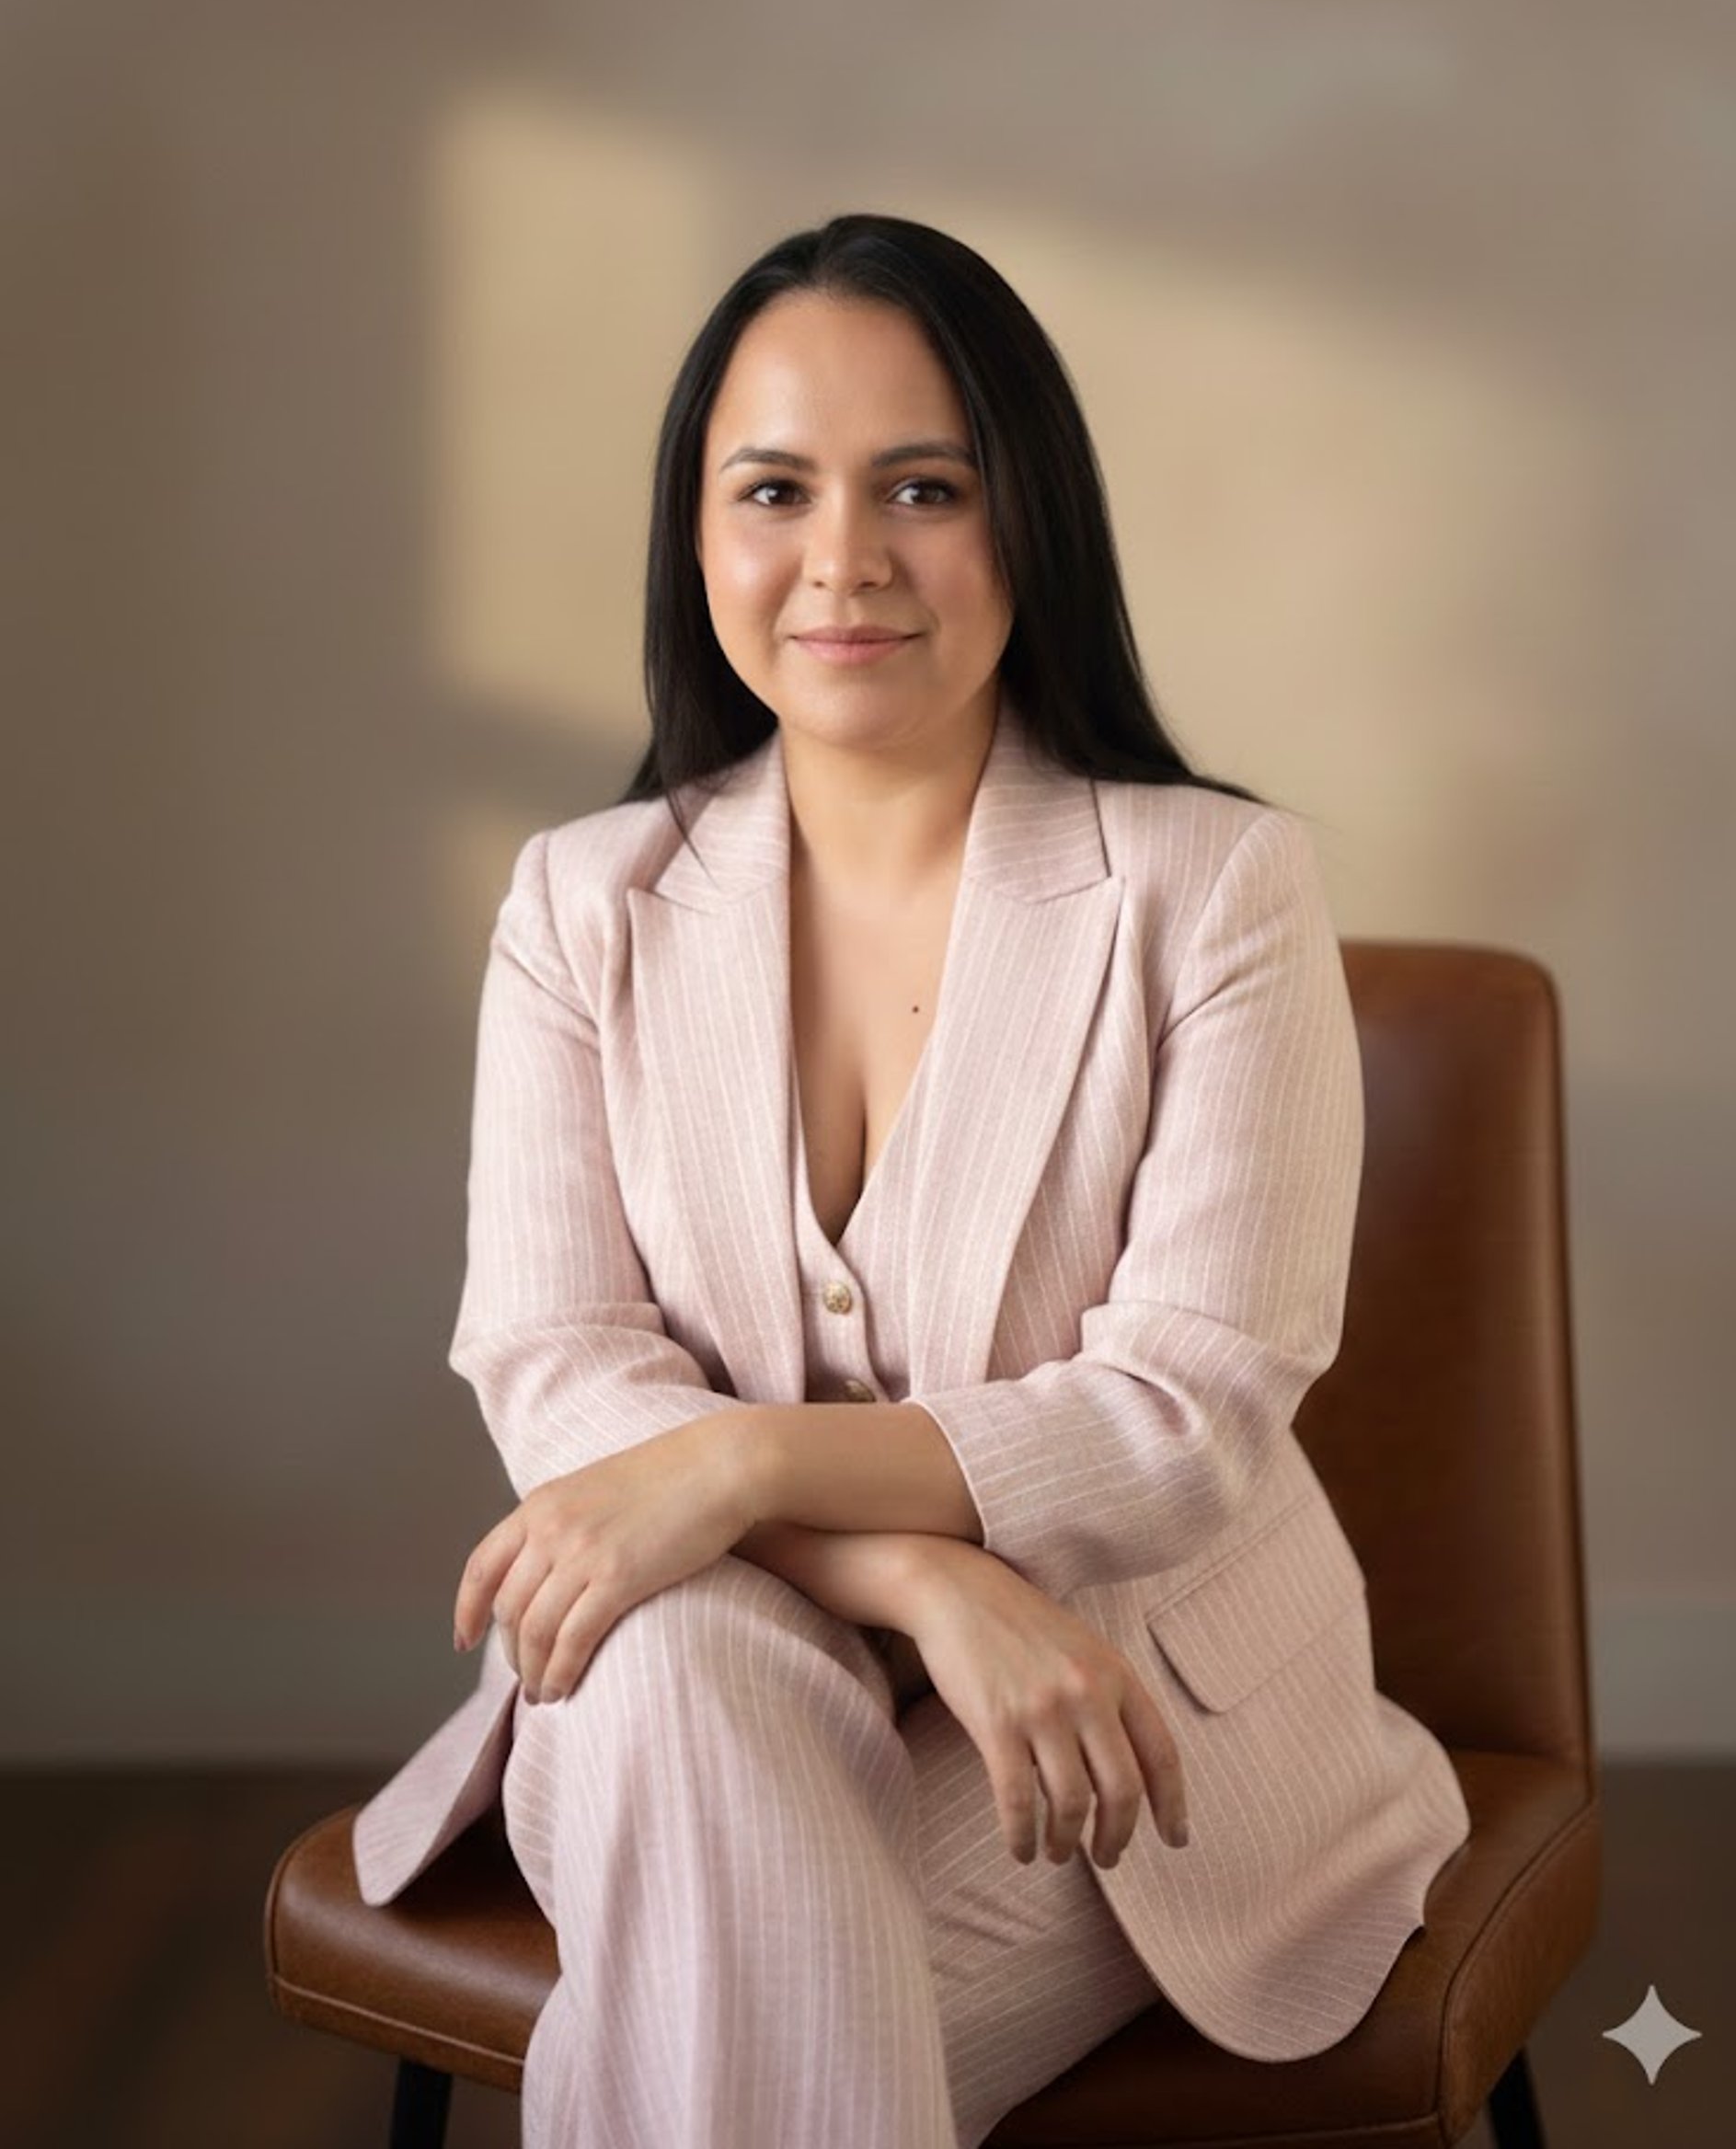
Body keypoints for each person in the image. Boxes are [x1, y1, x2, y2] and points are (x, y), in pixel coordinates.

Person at [352, 213, 1473, 2149]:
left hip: (1105, 1748)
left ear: (1026, 521)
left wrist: (742, 1459)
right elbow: (555, 1362)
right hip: (672, 1692)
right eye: (774, 487)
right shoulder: (579, 905)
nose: (843, 557)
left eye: (923, 487)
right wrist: (907, 1569)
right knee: (696, 1674)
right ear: (698, 535)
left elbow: (1181, 1418)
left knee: (721, 2022)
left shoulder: (1216, 889)